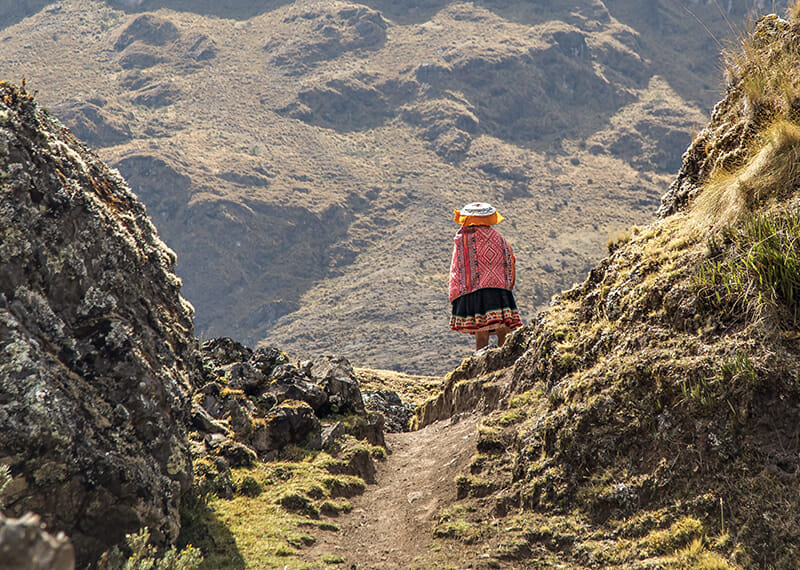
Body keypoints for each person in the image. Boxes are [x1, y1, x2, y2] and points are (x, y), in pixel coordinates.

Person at [449, 202, 522, 353]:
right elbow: (510, 259)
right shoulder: (498, 238)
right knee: (504, 329)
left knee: (480, 332)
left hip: (474, 290)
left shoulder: (463, 239)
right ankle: (504, 357)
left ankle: (481, 360)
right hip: (498, 289)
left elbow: (459, 266)